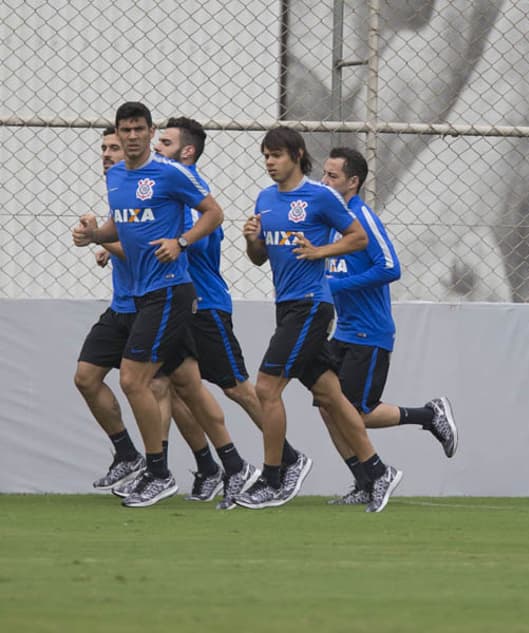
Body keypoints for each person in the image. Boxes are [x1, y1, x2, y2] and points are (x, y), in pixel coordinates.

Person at [72, 101, 258, 508]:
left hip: (172, 291)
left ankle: (159, 473)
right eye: (126, 130)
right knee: (171, 384)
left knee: (139, 382)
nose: (132, 136)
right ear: (118, 133)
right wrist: (94, 235)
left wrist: (182, 242)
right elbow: (120, 224)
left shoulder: (170, 172)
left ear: (150, 131)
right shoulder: (117, 176)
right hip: (140, 298)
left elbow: (214, 213)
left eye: (140, 129)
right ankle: (228, 464)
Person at [234, 127, 402, 512]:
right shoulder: (265, 198)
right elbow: (259, 258)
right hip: (287, 304)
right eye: (265, 156)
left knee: (266, 388)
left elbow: (357, 238)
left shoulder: (320, 196)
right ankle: (377, 472)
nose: (269, 163)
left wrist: (320, 251)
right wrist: (251, 240)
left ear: (296, 155)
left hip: (311, 305)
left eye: (276, 155)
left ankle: (276, 476)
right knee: (329, 394)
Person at [149, 117, 312, 509]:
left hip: (205, 305)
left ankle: (287, 458)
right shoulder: (161, 191)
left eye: (165, 143)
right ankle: (213, 468)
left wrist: (179, 241)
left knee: (237, 386)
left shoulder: (193, 192)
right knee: (169, 386)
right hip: (174, 305)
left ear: (187, 151)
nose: (155, 149)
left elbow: (206, 243)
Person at [316, 146, 458, 506]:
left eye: (332, 176)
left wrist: (336, 287)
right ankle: (365, 483)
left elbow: (390, 268)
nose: (324, 181)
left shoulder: (363, 219)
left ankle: (429, 415)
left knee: (356, 412)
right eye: (324, 173)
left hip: (369, 331)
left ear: (353, 182)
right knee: (326, 403)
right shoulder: (333, 221)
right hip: (343, 330)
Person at [74, 126, 145, 491]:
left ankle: (211, 466)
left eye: (113, 148)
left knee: (170, 390)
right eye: (103, 147)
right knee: (86, 377)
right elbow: (120, 241)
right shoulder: (117, 191)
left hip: (150, 307)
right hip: (120, 308)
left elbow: (141, 251)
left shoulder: (144, 191)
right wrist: (100, 241)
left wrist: (99, 240)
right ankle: (127, 454)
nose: (106, 153)